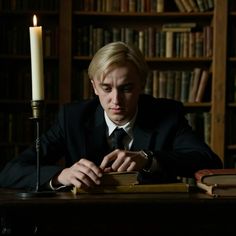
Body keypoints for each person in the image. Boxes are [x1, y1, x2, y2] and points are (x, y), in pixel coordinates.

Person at [0, 41, 222, 191]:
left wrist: (149, 158)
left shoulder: (167, 114)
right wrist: (61, 176)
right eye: (106, 88)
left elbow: (210, 162)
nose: (116, 100)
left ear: (141, 85)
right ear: (94, 87)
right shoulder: (73, 118)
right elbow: (10, 172)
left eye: (126, 88)